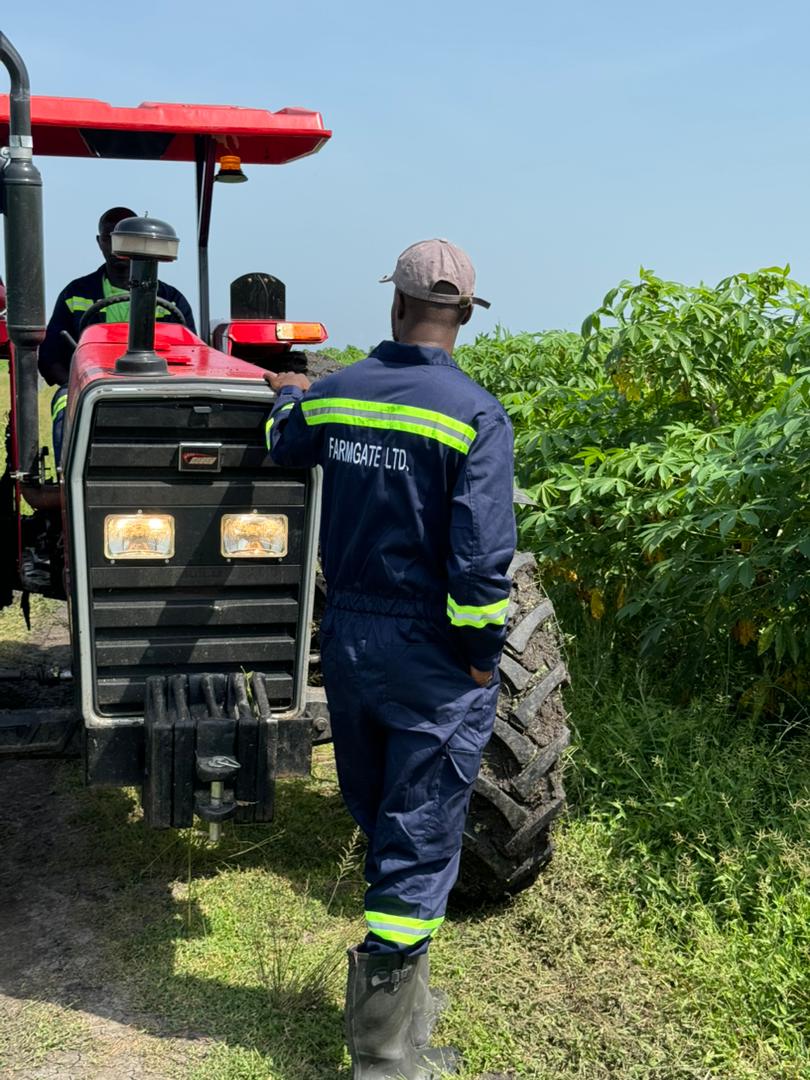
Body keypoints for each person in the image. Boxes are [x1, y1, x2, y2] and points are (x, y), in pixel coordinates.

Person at [264, 239, 516, 1079]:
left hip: (350, 641)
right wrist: (481, 657)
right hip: (433, 654)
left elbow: (283, 441)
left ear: (397, 307)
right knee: (420, 831)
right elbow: (481, 566)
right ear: (463, 319)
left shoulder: (340, 395)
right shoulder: (474, 414)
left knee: (381, 814)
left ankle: (398, 1009)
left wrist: (290, 391)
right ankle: (382, 1056)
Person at [37, 206, 195, 462]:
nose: (115, 243)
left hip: (158, 387)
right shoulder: (75, 294)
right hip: (90, 388)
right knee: (65, 401)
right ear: (100, 242)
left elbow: (193, 358)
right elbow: (50, 357)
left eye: (124, 235)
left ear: (142, 243)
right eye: (109, 236)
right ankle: (69, 482)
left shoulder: (171, 300)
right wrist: (77, 384)